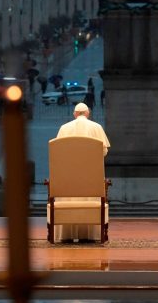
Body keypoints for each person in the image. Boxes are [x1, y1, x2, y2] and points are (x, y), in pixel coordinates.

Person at [54, 103, 111, 242]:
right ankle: (89, 235)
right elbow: (103, 151)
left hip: (68, 177)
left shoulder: (64, 128)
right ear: (88, 113)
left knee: (69, 200)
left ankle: (66, 235)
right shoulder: (97, 128)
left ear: (74, 114)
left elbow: (58, 152)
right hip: (91, 177)